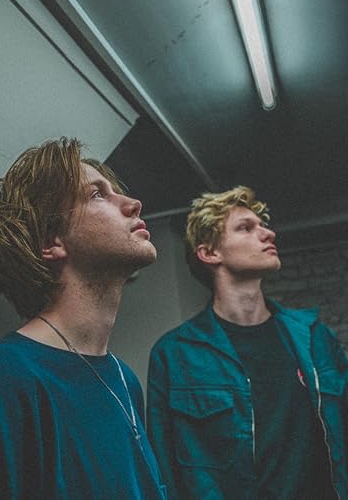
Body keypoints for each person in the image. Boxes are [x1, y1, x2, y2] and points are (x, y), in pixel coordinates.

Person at [0, 137, 167, 499]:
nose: (133, 204)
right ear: (51, 240)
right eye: (97, 194)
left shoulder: (124, 379)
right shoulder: (3, 380)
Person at [147, 185, 348, 500]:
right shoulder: (175, 355)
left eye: (263, 225)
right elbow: (164, 473)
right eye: (246, 227)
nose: (268, 233)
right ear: (209, 253)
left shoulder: (314, 337)